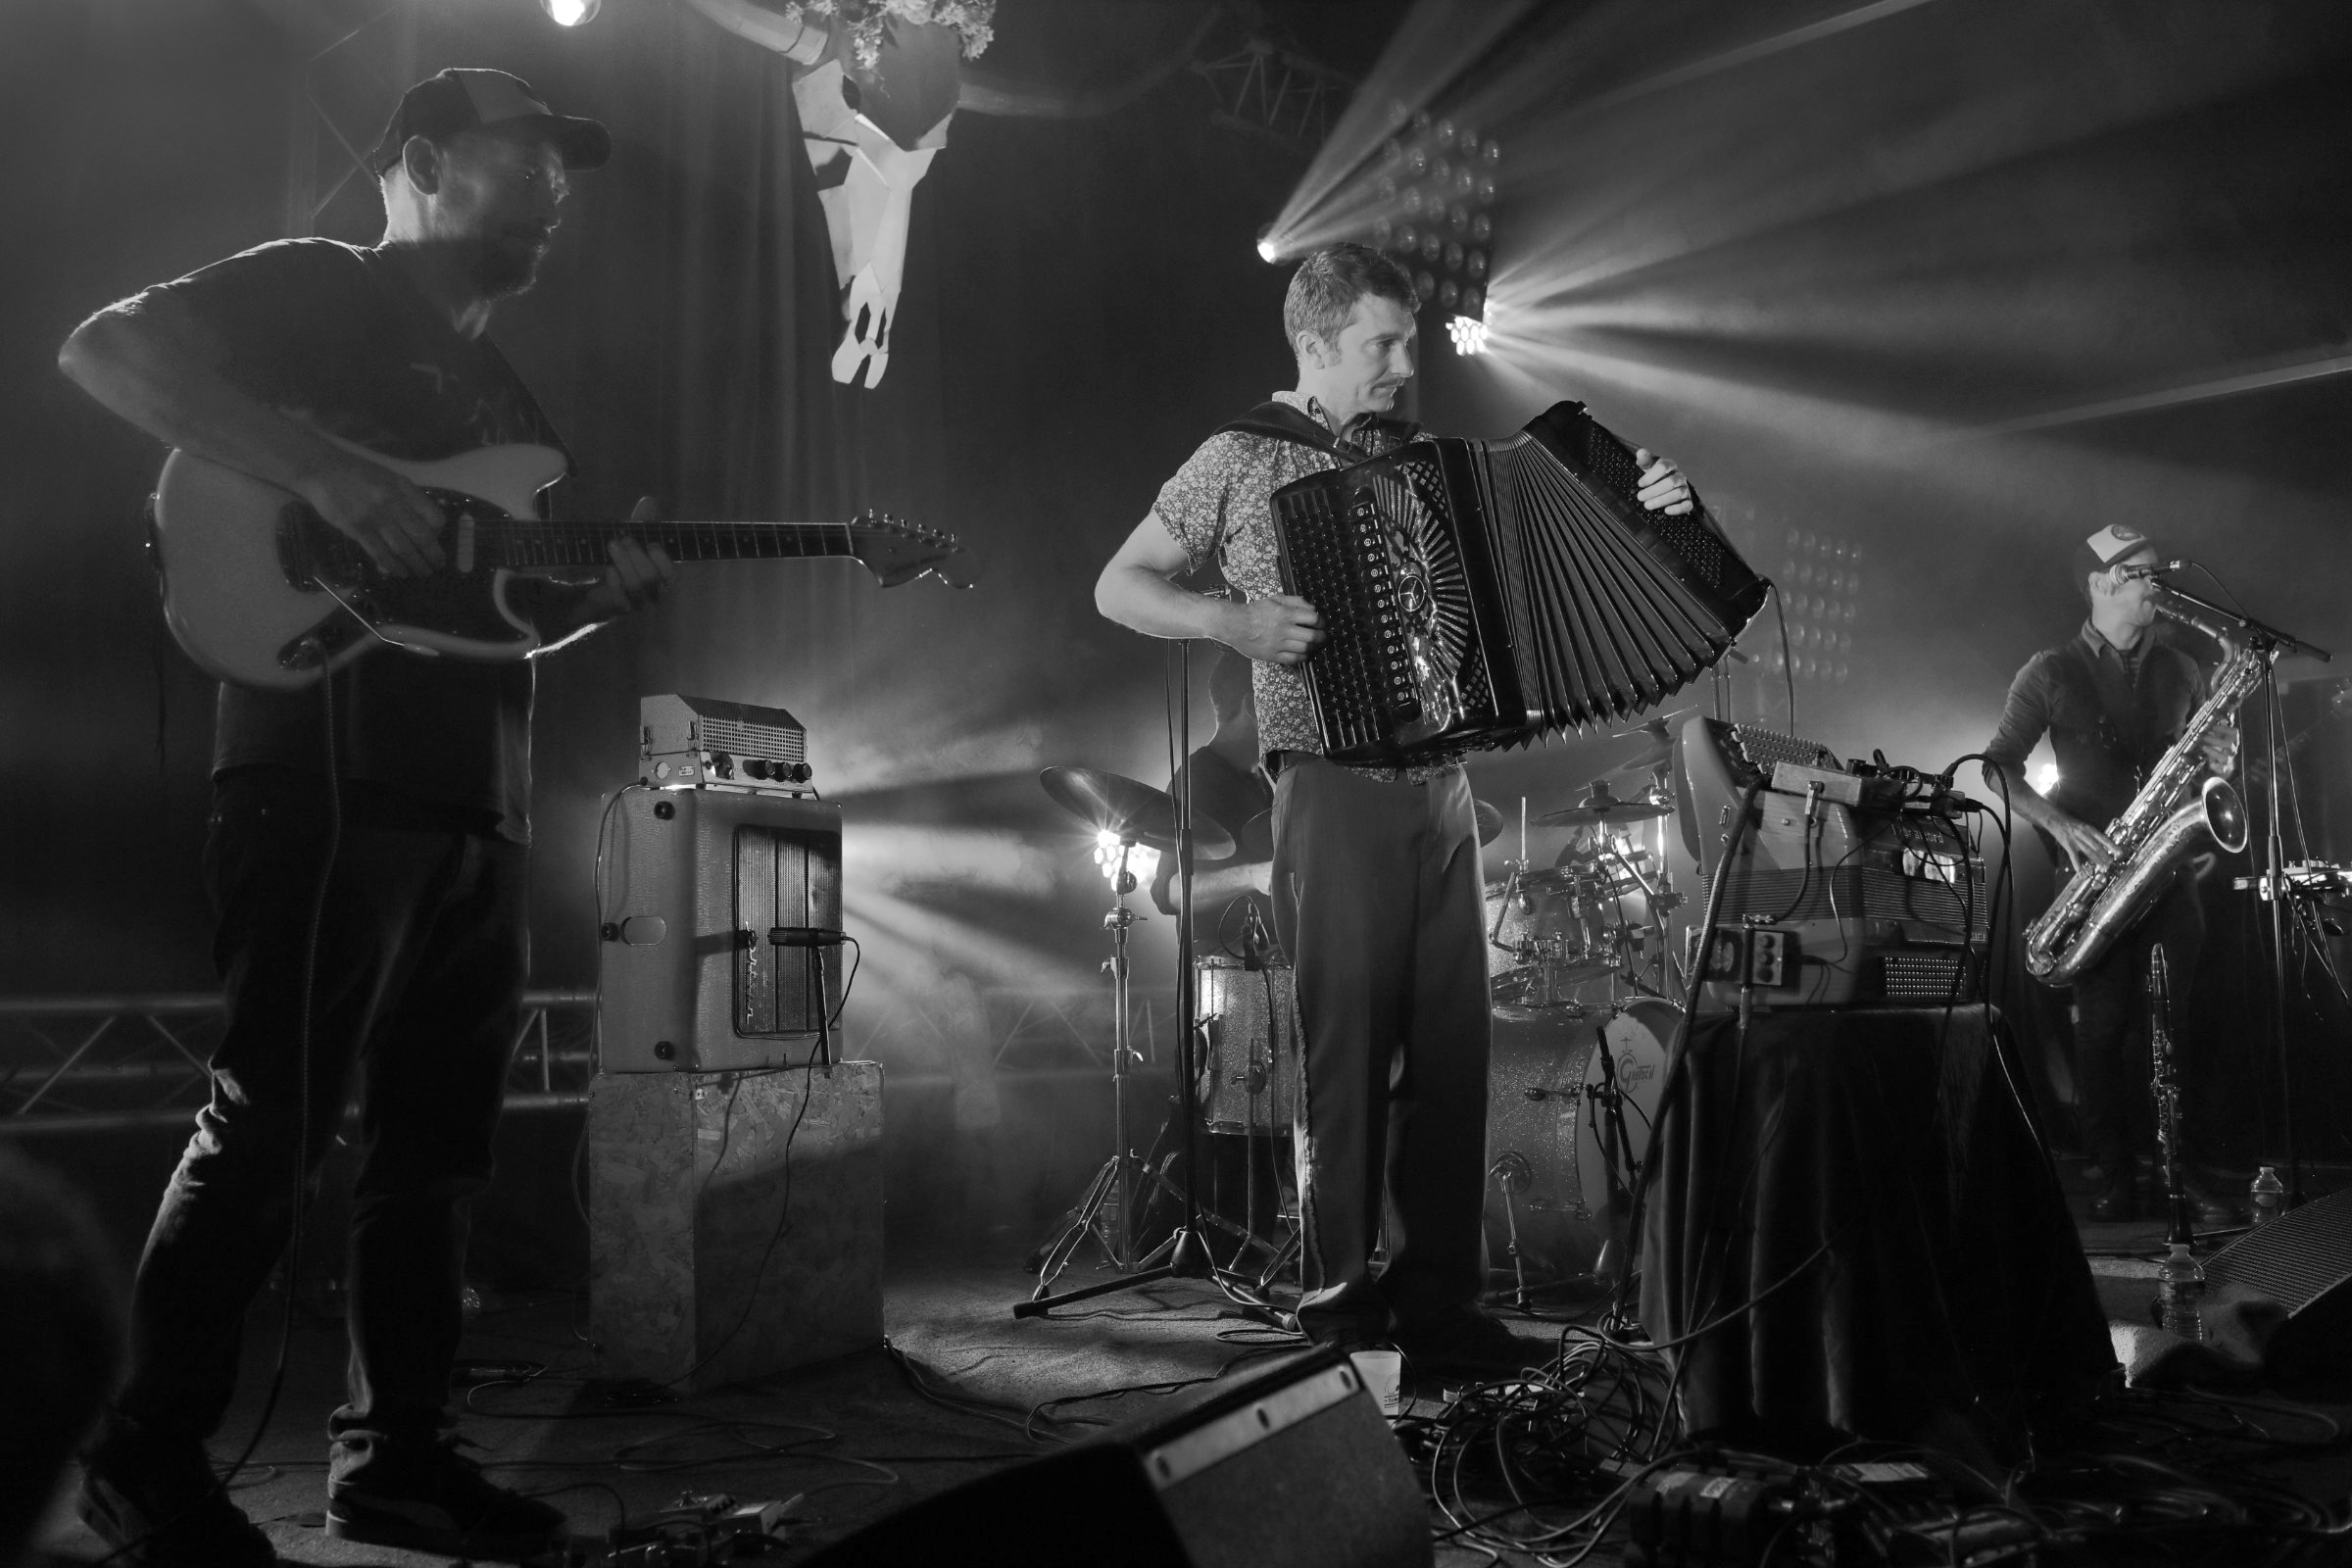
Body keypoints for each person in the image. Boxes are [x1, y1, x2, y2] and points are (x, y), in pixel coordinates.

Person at [56, 69, 673, 1564]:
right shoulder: (319, 286)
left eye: (566, 171)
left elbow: (492, 614)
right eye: (526, 159)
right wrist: (323, 469)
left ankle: (396, 1461)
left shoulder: (509, 402)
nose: (556, 189)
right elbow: (104, 349)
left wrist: (595, 604)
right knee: (272, 1119)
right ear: (423, 162)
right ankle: (140, 1453)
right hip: (320, 766)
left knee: (438, 1150)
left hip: (478, 790)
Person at [1095, 243, 1694, 1368]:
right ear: (1315, 342)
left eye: (1407, 343)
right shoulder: (1238, 454)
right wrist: (1234, 621)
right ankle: (1340, 1308)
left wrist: (1647, 503)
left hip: (1443, 784)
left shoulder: (1421, 464)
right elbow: (1117, 583)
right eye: (1380, 343)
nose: (1404, 367)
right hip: (1331, 783)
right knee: (1347, 1057)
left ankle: (1442, 1311)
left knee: (1455, 1054)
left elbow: (1530, 558)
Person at [1983, 524, 2239, 1224]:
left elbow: (2201, 764)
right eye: (2142, 572)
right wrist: (2061, 826)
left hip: (2168, 872)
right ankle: (2114, 1173)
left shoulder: (2182, 667)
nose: (2158, 584)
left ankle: (2179, 1171)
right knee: (2101, 1033)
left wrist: (2221, 756)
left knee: (2173, 1027)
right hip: (2093, 876)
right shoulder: (2048, 670)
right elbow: (1997, 768)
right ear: (2099, 583)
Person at [1150, 646, 1275, 956]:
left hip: (1268, 958)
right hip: (1224, 968)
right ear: (1252, 705)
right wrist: (1254, 875)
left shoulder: (1263, 779)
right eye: (1279, 700)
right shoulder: (1197, 780)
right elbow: (1170, 892)